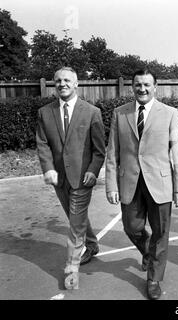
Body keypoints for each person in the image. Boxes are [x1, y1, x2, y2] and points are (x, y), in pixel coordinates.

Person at [105, 68, 178, 300]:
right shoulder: (119, 113)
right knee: (131, 226)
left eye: (146, 85)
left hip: (160, 183)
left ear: (155, 87)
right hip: (129, 181)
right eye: (138, 85)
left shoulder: (170, 113)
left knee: (161, 232)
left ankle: (153, 279)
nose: (142, 89)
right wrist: (111, 185)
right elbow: (113, 152)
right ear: (132, 86)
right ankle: (149, 252)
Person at [36, 67, 105, 290]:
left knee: (75, 223)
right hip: (58, 178)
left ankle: (72, 269)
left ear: (76, 84)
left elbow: (99, 150)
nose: (62, 84)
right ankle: (92, 244)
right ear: (53, 84)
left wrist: (93, 170)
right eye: (58, 80)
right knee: (75, 215)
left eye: (67, 80)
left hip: (82, 178)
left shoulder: (92, 112)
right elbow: (43, 143)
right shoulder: (45, 112)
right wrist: (47, 168)